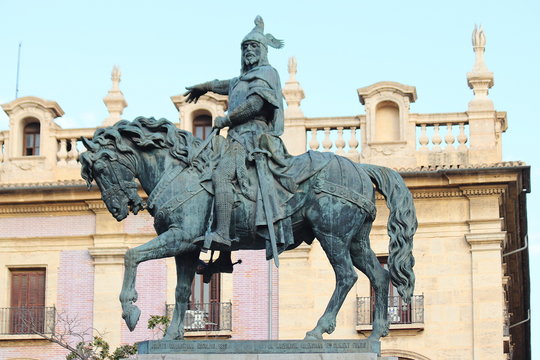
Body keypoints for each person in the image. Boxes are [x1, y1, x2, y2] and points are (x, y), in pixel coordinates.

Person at [184, 16, 294, 252]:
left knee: (222, 176)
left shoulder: (266, 73)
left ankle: (223, 234)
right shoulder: (241, 79)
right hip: (235, 138)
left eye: (254, 46)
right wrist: (202, 87)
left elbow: (254, 105)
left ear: (263, 50)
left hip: (252, 137)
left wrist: (227, 119)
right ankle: (223, 254)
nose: (248, 51)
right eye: (245, 47)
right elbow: (221, 84)